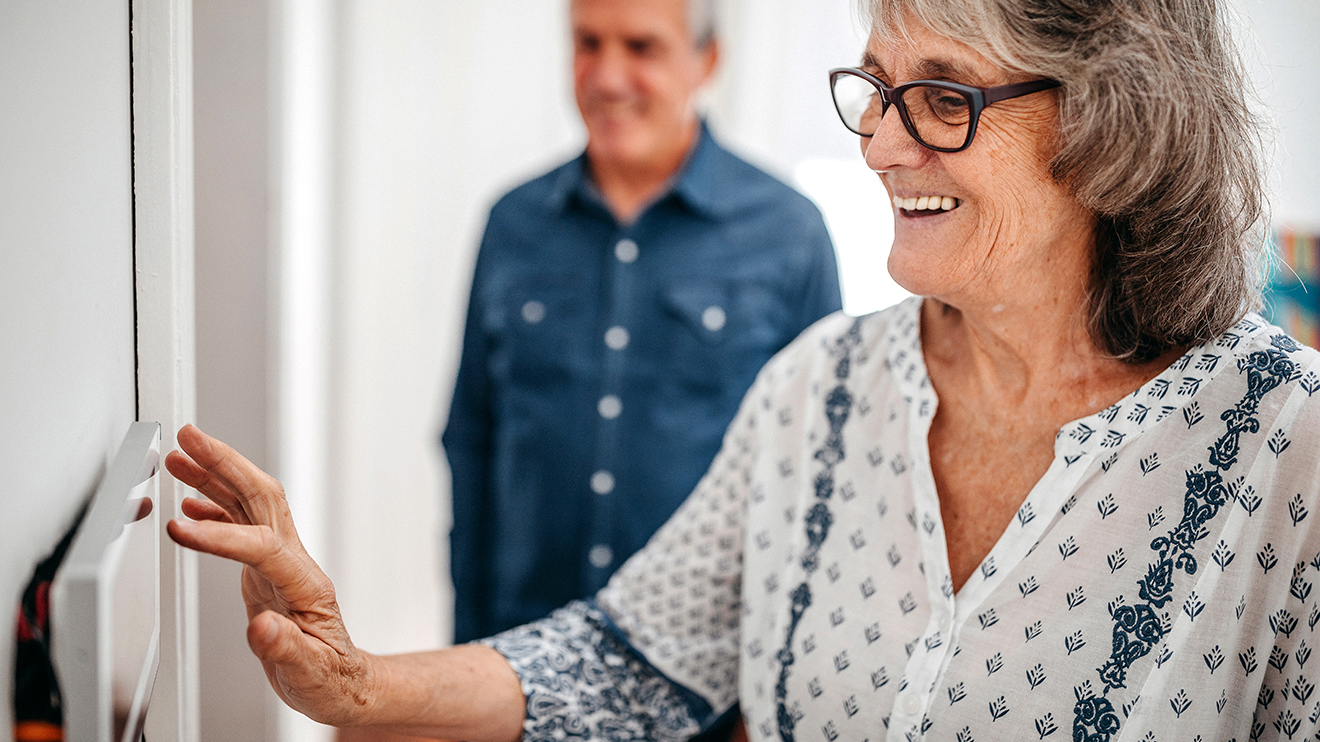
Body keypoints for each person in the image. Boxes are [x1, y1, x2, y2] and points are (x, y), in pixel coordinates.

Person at [165, 0, 1320, 739]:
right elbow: (628, 660)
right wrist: (356, 683)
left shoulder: (1286, 447)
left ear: (1113, 121)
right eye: (874, 86)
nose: (877, 142)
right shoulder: (819, 391)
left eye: (944, 97)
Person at [442, 0, 842, 645]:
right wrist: (466, 644)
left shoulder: (788, 233)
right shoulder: (512, 223)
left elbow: (820, 468)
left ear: (706, 61)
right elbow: (471, 434)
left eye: (642, 47)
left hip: (707, 665)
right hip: (525, 645)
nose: (606, 76)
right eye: (588, 43)